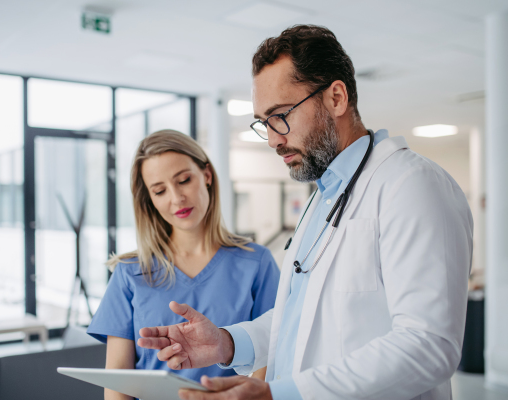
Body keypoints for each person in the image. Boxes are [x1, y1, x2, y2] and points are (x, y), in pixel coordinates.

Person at [138, 26, 473, 400]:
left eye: (281, 115)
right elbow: (301, 319)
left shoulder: (411, 185)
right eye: (264, 122)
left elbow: (428, 345)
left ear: (336, 97)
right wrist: (227, 342)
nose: (273, 139)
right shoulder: (323, 197)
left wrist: (281, 394)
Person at [87, 130, 281, 400]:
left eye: (184, 180)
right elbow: (119, 379)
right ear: (150, 200)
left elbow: (270, 356)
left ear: (207, 175)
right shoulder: (131, 271)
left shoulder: (256, 262)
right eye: (160, 190)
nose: (176, 198)